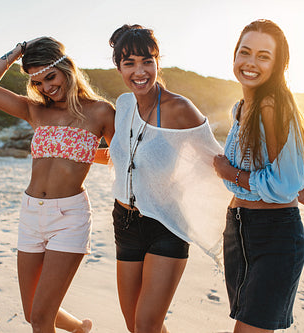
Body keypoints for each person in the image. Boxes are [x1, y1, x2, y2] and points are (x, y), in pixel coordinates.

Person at [0, 37, 114, 333]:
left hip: (70, 217)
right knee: (32, 312)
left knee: (40, 319)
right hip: (31, 214)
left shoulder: (100, 112)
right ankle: (79, 328)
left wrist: (86, 154)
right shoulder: (35, 110)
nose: (46, 87)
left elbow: (120, 157)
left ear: (67, 70)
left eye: (50, 76)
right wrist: (16, 52)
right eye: (37, 82)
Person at [103, 24, 231, 333]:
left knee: (147, 324)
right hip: (124, 222)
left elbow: (217, 162)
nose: (140, 71)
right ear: (118, 67)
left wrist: (280, 187)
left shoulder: (179, 108)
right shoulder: (123, 105)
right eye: (129, 63)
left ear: (158, 61)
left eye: (147, 61)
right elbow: (122, 154)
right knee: (135, 325)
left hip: (166, 226)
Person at [213, 19, 304, 332]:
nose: (251, 63)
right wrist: (292, 187)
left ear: (279, 64)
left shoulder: (270, 103)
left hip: (273, 235)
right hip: (238, 232)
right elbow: (281, 174)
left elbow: (278, 181)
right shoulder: (241, 108)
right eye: (245, 52)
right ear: (234, 55)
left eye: (264, 56)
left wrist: (230, 172)